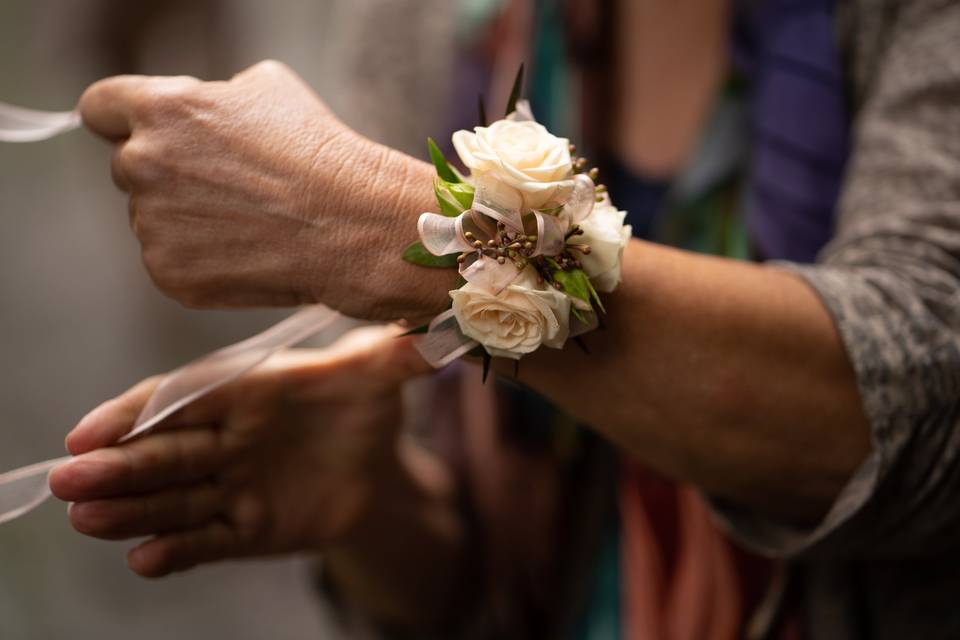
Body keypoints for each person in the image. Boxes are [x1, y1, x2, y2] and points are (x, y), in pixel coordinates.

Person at [48, 0, 960, 637]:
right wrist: (381, 508)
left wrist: (392, 226)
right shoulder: (434, 21)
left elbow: (921, 395)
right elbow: (490, 584)